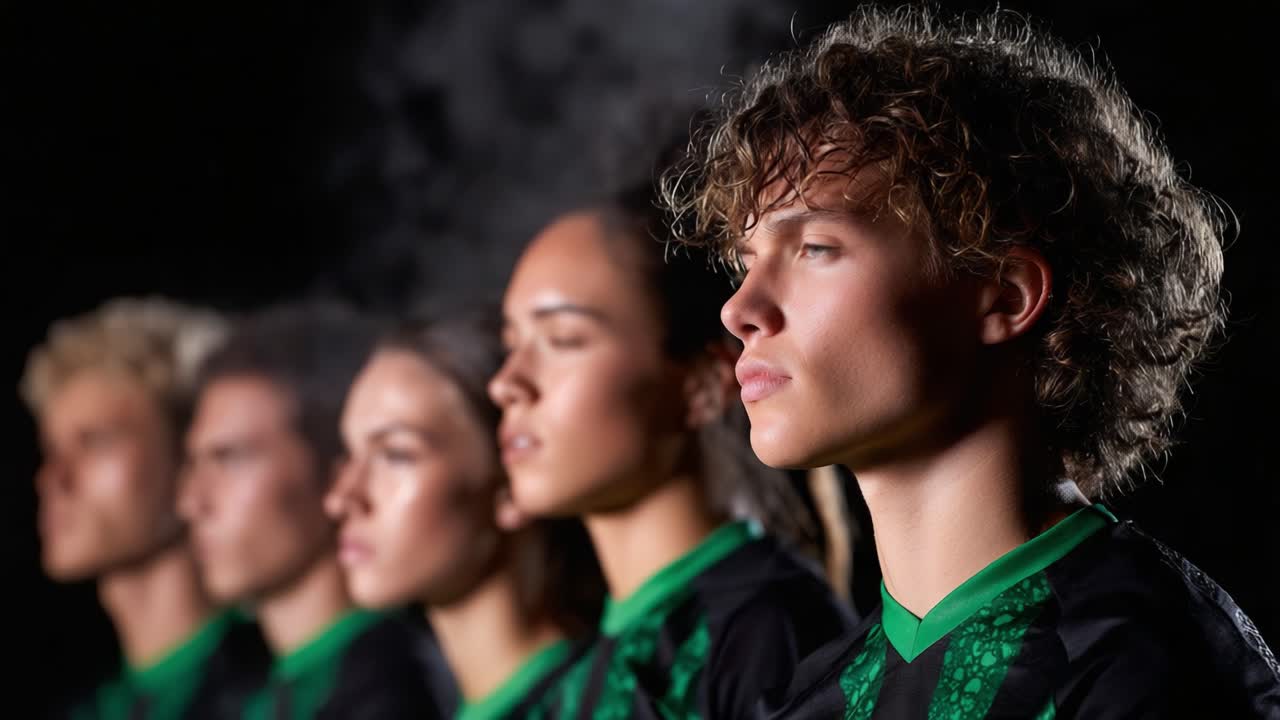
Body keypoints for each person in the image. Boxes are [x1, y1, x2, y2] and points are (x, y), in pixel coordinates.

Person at [661, 6, 1280, 717]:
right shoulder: (804, 700)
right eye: (745, 262)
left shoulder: (1150, 669)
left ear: (1005, 296)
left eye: (815, 248)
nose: (739, 309)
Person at [487, 175, 857, 718]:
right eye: (511, 345)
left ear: (702, 385)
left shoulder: (765, 631)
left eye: (563, 340)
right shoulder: (581, 673)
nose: (506, 384)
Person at [326, 308, 604, 719]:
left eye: (396, 454)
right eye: (350, 455)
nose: (342, 499)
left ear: (508, 483)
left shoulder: (608, 701)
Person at [179, 301, 451, 719]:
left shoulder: (399, 691)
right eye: (194, 463)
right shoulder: (231, 693)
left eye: (230, 459)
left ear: (334, 472)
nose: (192, 502)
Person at [21, 297, 270, 720]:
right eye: (51, 450)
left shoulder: (282, 689)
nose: (53, 478)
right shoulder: (84, 708)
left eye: (94, 442)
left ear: (189, 455)